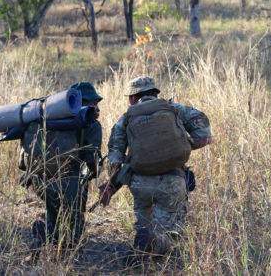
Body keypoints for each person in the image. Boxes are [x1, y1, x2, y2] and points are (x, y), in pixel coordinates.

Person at [99, 76, 212, 265]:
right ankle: (155, 245)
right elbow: (205, 137)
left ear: (133, 98)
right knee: (169, 232)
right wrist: (177, 146)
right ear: (155, 93)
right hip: (172, 181)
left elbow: (114, 161)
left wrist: (111, 185)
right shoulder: (175, 109)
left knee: (144, 226)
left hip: (139, 184)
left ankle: (142, 251)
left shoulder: (126, 118)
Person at [27, 82, 103, 249]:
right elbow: (91, 158)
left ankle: (46, 234)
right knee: (74, 218)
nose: (95, 107)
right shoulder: (91, 124)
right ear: (83, 103)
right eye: (92, 103)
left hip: (40, 178)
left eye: (96, 103)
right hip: (70, 179)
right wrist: (93, 173)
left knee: (52, 211)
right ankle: (69, 245)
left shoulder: (49, 119)